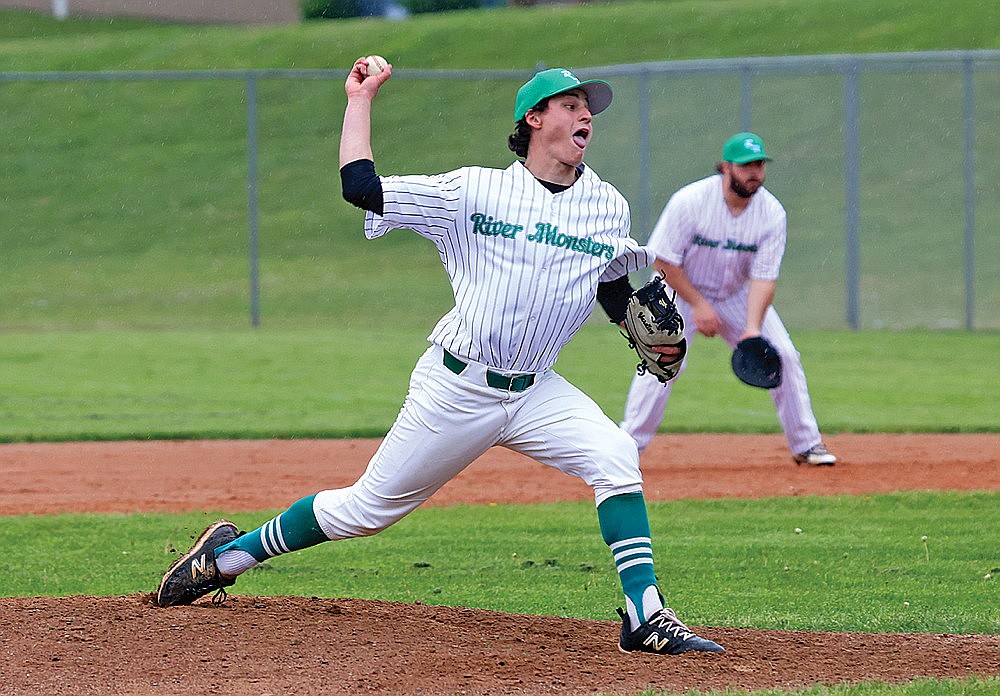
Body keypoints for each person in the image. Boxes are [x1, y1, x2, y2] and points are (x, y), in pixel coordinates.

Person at [154, 63, 725, 656]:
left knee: (615, 455)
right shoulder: (471, 191)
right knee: (366, 510)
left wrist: (647, 331)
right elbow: (361, 188)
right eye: (572, 104)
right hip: (458, 386)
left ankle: (645, 614)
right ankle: (228, 557)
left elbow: (608, 285)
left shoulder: (607, 206)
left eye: (590, 108)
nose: (587, 116)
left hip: (536, 393)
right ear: (534, 119)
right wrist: (360, 97)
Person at [620, 132, 837, 467]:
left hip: (736, 294)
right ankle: (628, 447)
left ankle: (807, 445)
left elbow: (764, 278)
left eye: (759, 164)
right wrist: (699, 305)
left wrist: (752, 329)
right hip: (677, 291)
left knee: (784, 355)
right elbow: (664, 261)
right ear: (725, 167)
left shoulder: (771, 213)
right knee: (662, 363)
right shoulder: (690, 201)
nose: (754, 172)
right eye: (746, 165)